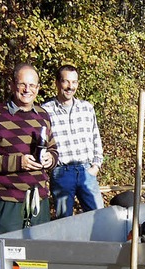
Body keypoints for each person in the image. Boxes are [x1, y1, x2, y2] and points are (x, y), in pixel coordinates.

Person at [0, 63, 58, 235]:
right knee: (11, 258)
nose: (27, 90)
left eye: (32, 85)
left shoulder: (43, 115)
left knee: (39, 257)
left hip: (39, 200)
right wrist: (18, 162)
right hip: (8, 201)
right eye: (22, 84)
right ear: (12, 85)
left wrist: (51, 159)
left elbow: (53, 149)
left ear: (38, 88)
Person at [42, 65, 104, 218]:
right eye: (66, 82)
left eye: (74, 82)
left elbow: (96, 137)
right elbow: (42, 144)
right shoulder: (45, 111)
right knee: (65, 221)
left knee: (99, 218)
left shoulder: (86, 108)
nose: (70, 87)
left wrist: (96, 165)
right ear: (57, 83)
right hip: (62, 173)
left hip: (86, 171)